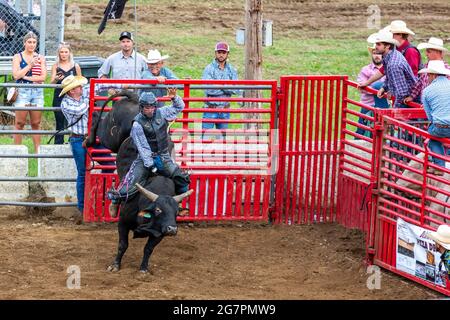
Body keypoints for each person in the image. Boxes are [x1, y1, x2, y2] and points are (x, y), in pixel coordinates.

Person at [107, 90, 190, 218]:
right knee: (130, 186)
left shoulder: (161, 113)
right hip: (145, 159)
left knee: (183, 179)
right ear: (141, 108)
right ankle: (115, 200)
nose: (150, 110)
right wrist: (151, 165)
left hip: (164, 157)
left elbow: (179, 107)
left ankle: (176, 203)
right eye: (147, 107)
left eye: (152, 107)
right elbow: (142, 147)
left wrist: (175, 98)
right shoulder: (137, 124)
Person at [59, 75, 124, 215]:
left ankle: (100, 196)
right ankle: (83, 208)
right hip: (78, 140)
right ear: (71, 91)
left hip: (93, 138)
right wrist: (92, 98)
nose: (81, 88)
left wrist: (122, 85)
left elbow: (101, 85)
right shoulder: (66, 103)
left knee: (109, 164)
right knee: (83, 172)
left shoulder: (84, 93)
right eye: (78, 86)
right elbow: (81, 109)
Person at [359, 21, 423, 91]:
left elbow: (412, 76)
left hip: (411, 92)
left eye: (392, 34)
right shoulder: (396, 49)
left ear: (400, 35)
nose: (390, 36)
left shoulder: (410, 51)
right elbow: (384, 70)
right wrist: (367, 83)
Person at [11, 31, 47, 153]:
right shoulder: (17, 57)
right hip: (23, 92)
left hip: (37, 92)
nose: (31, 45)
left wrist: (26, 77)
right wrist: (29, 66)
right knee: (20, 122)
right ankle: (17, 151)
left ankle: (38, 152)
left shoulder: (40, 58)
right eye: (29, 42)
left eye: (34, 42)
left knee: (36, 123)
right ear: (24, 43)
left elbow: (43, 77)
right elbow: (16, 75)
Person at [201, 41, 239, 139]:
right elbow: (208, 90)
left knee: (222, 141)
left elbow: (235, 89)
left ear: (227, 54)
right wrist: (226, 86)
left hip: (225, 109)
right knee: (205, 139)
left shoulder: (232, 70)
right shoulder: (208, 69)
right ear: (215, 53)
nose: (221, 55)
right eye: (219, 52)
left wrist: (218, 84)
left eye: (223, 52)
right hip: (210, 108)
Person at [419, 60, 450, 174]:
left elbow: (430, 117)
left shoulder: (427, 91)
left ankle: (439, 166)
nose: (428, 78)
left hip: (440, 126)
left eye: (428, 75)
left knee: (432, 136)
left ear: (433, 75)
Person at [373, 31, 417, 109]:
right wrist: (384, 87)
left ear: (387, 46)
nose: (376, 46)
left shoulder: (393, 64)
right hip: (408, 98)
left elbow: (402, 93)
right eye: (376, 44)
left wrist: (394, 110)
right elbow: (389, 77)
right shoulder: (393, 55)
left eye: (379, 44)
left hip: (408, 101)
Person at [355, 34, 388, 137]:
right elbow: (363, 87)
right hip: (368, 104)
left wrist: (372, 87)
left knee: (381, 130)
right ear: (372, 55)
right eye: (374, 53)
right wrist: (379, 89)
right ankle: (358, 142)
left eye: (378, 53)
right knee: (361, 128)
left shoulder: (387, 68)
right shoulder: (365, 69)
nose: (377, 56)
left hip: (383, 104)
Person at [50, 42, 82, 144]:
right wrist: (55, 79)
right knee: (59, 120)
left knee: (72, 121)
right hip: (59, 95)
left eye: (66, 52)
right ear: (58, 54)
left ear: (70, 53)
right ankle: (58, 143)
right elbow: (51, 83)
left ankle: (72, 142)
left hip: (73, 96)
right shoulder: (56, 66)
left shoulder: (75, 66)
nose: (63, 54)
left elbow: (81, 82)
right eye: (61, 52)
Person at [404, 37, 450, 105]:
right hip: (426, 105)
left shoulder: (446, 70)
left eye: (428, 51)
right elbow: (419, 83)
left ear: (437, 52)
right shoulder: (427, 66)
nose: (426, 54)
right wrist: (411, 96)